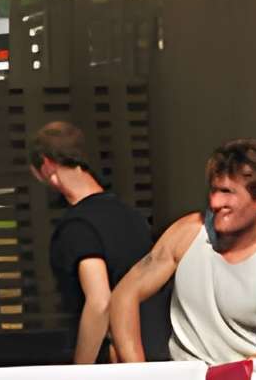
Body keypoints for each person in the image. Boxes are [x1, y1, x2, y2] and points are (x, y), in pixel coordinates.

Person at [110, 139, 256, 362]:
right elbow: (124, 296)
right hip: (180, 377)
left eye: (227, 192)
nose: (215, 202)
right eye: (214, 190)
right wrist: (138, 371)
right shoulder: (187, 233)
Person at [32, 119, 163, 365]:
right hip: (156, 355)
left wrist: (81, 373)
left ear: (47, 166)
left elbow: (100, 301)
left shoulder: (77, 227)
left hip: (116, 365)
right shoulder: (133, 216)